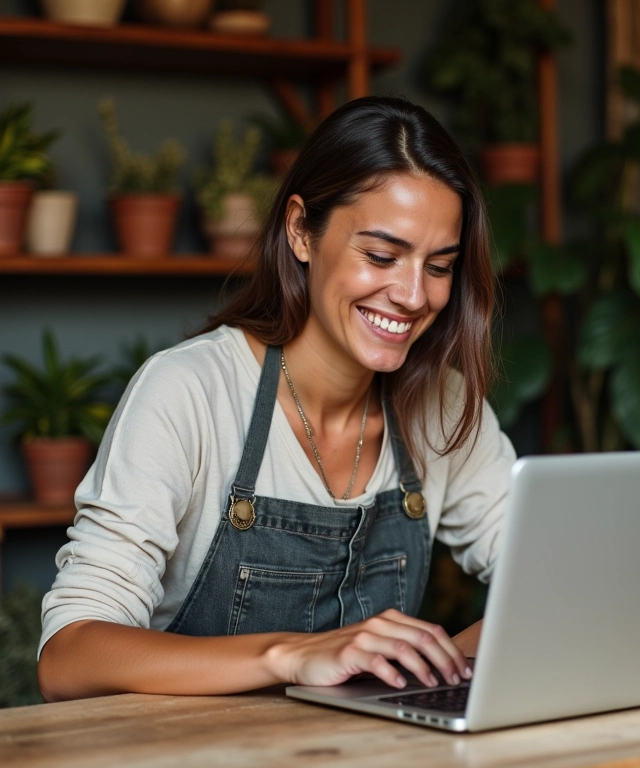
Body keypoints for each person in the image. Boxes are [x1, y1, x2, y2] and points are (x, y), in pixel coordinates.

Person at [37, 96, 516, 702]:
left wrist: (442, 663)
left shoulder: (441, 405)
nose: (414, 295)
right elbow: (68, 657)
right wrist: (290, 655)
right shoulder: (190, 391)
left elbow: (552, 578)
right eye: (381, 256)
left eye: (440, 266)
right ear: (300, 231)